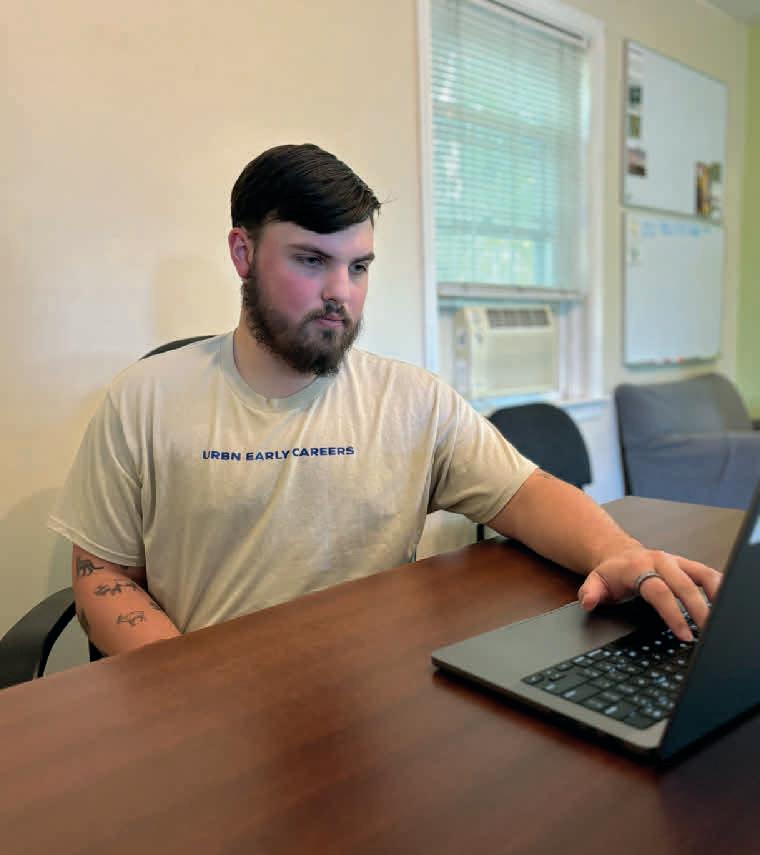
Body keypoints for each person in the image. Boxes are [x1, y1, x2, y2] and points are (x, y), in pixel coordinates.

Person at [49, 143, 721, 657]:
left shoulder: (411, 400)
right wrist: (181, 682)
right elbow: (102, 574)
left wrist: (615, 551)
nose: (340, 292)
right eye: (310, 260)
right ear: (242, 253)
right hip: (210, 707)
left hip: (375, 695)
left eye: (359, 266)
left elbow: (527, 493)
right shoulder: (145, 399)